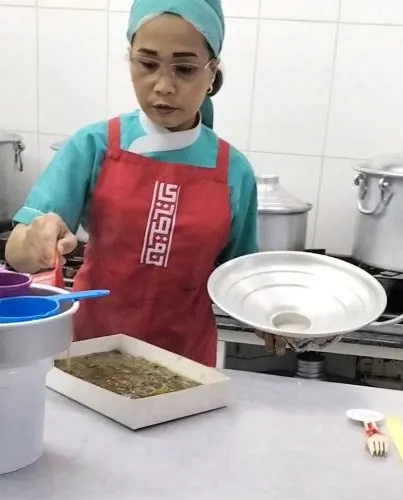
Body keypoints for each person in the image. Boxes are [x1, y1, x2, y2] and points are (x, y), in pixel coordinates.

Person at [6, 0, 263, 366]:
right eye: (147, 63)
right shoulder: (95, 145)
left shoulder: (234, 172)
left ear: (212, 74)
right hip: (88, 351)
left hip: (184, 365)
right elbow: (17, 252)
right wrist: (34, 241)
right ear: (130, 61)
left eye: (185, 69)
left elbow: (241, 281)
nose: (163, 86)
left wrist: (271, 316)